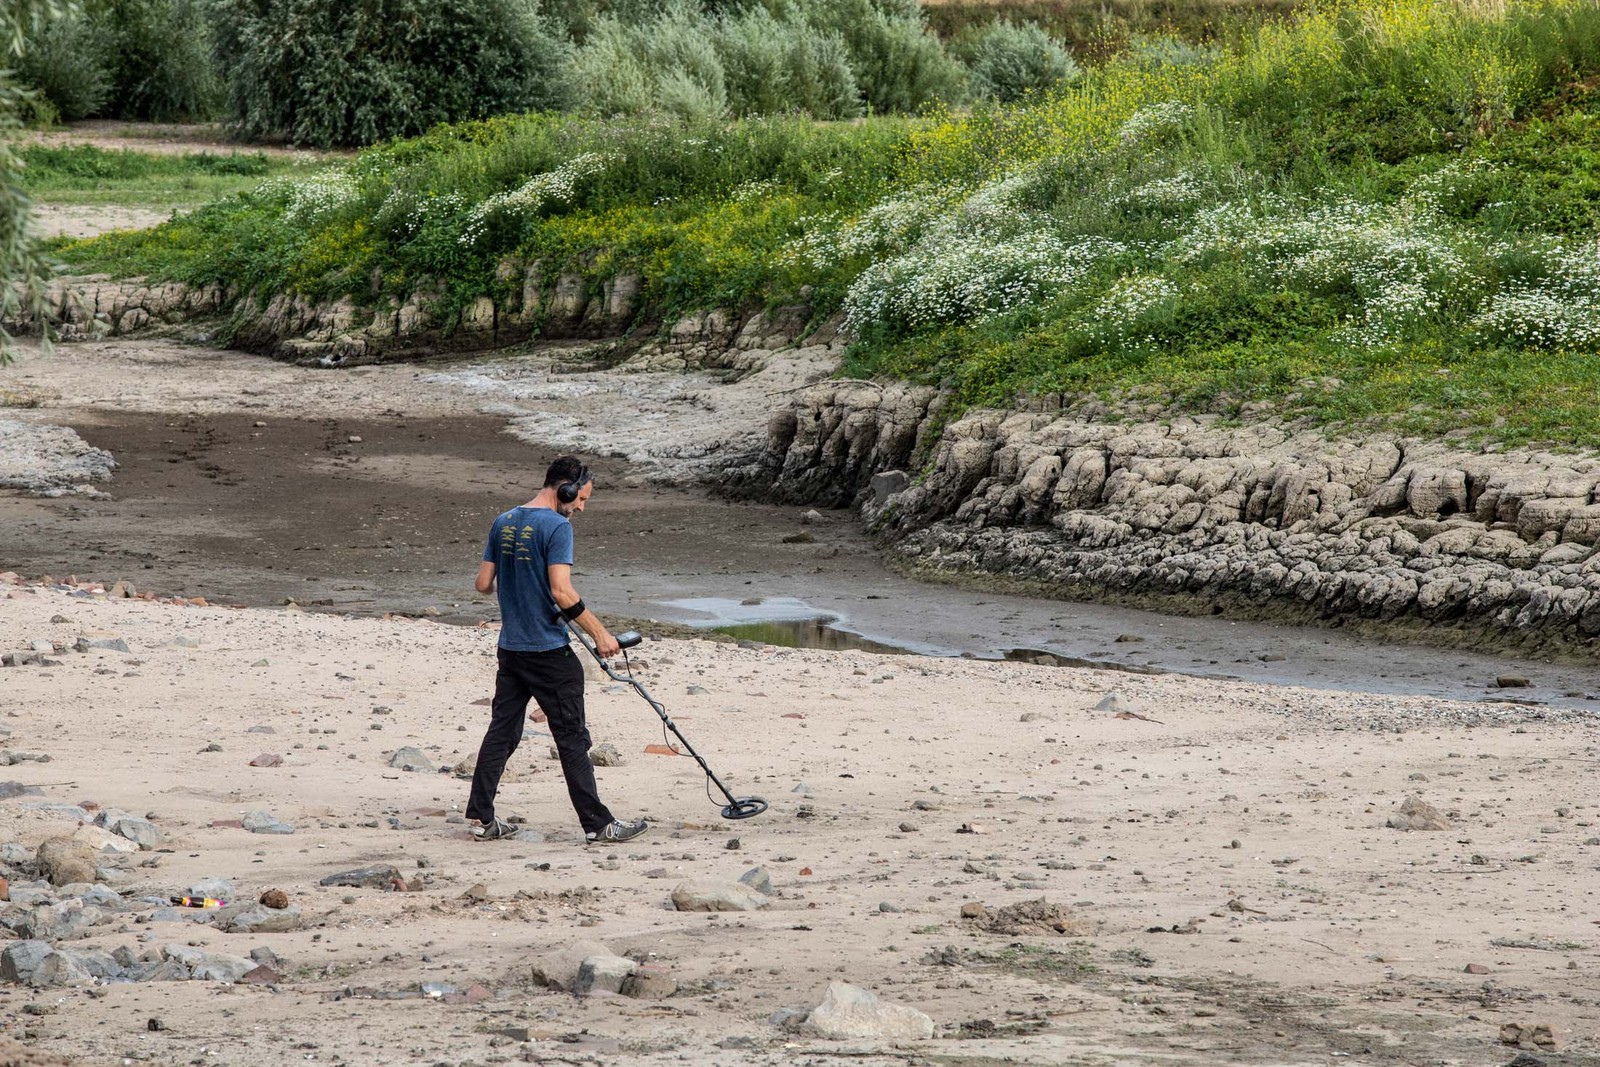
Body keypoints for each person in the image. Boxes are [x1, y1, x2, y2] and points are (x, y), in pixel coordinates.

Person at [466, 455, 648, 845]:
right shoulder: (556, 526)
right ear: (564, 488)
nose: (580, 507)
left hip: (511, 649)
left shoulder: (504, 520)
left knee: (502, 732)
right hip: (548, 652)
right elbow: (562, 591)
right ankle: (598, 825)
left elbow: (483, 584)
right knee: (572, 737)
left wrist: (520, 584)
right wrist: (601, 635)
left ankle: (482, 818)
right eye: (580, 498)